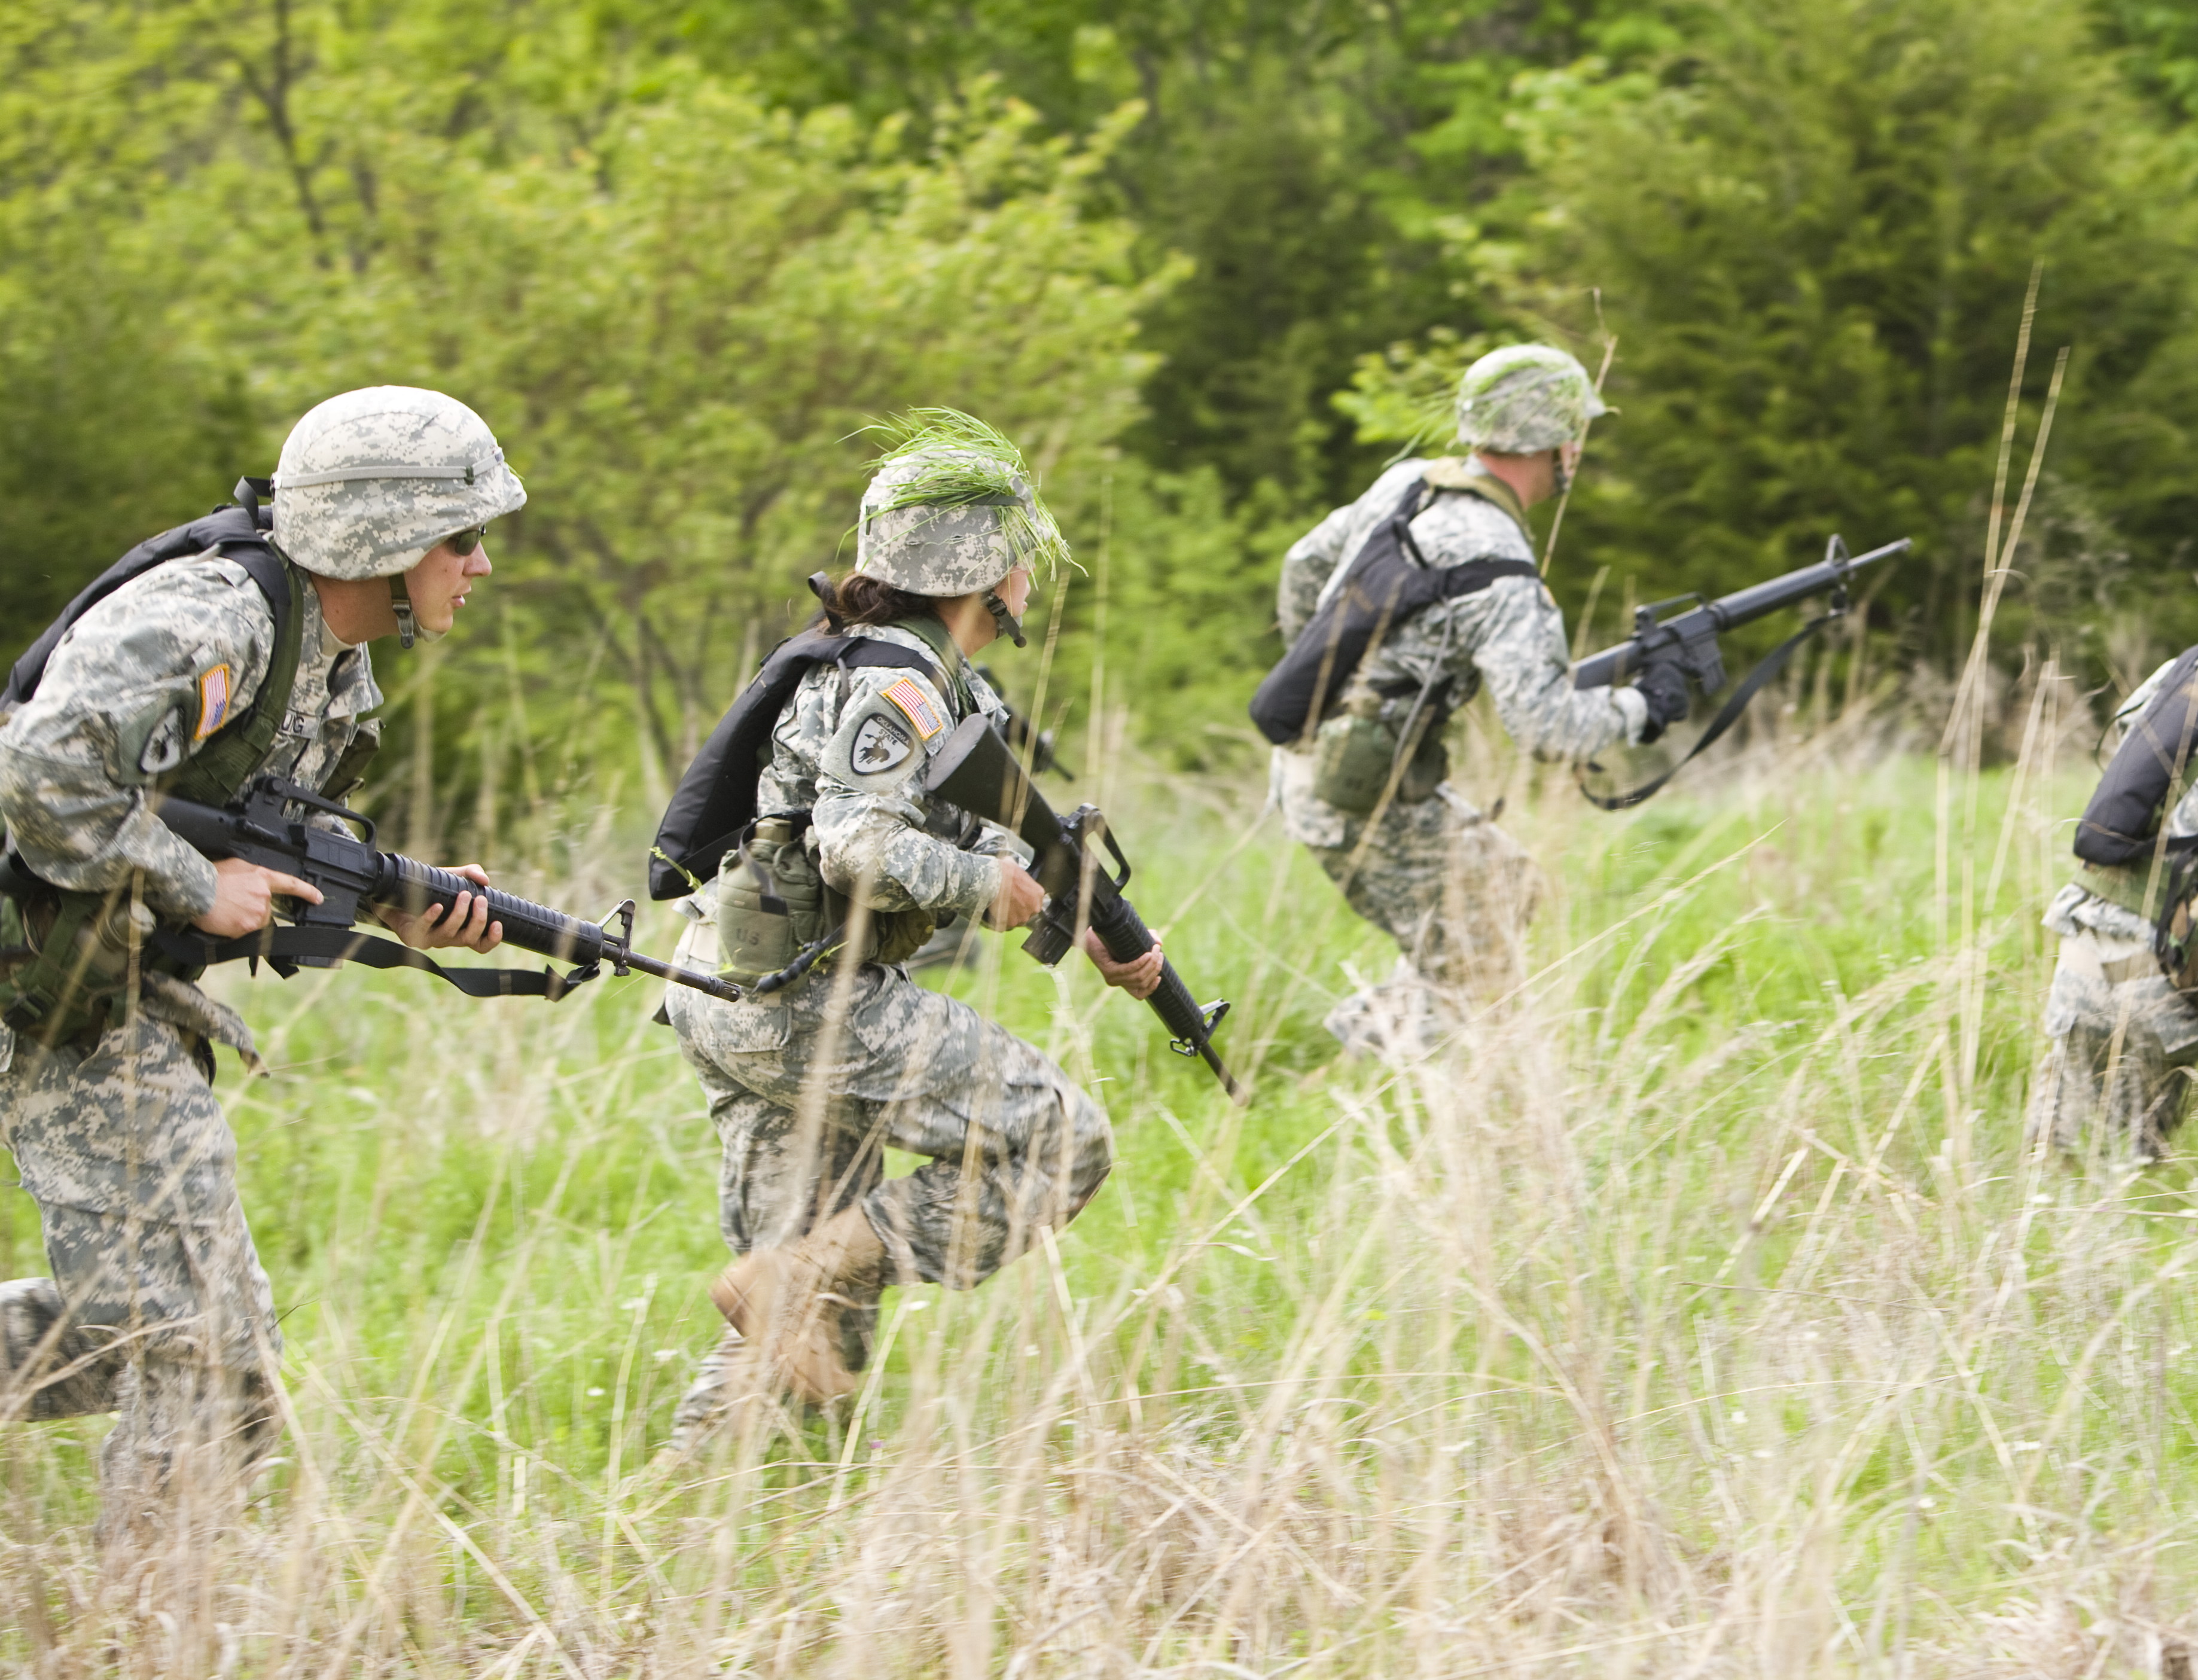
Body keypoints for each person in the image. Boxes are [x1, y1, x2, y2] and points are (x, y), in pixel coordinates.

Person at [0, 386, 522, 1548]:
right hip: (38, 986)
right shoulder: (213, 617)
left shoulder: (328, 659)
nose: (479, 567)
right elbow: (36, 774)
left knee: (161, 1332)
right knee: (199, 1355)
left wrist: (403, 900)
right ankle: (141, 1637)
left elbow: (255, 837)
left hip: (92, 981)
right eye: (463, 536)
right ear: (381, 540)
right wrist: (196, 891)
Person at [659, 411, 1157, 1447]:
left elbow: (955, 814)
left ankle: (698, 1506)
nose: (1030, 576)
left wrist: (1081, 912)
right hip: (801, 999)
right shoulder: (899, 683)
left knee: (813, 1332)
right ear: (985, 568)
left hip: (735, 985)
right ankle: (784, 1276)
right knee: (1064, 1139)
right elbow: (858, 849)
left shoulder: (892, 667)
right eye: (1020, 555)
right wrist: (989, 883)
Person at [1265, 343, 1694, 1051]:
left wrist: (1322, 679)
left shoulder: (1407, 484)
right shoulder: (1501, 568)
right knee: (1481, 971)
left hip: (1328, 767)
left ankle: (1373, 1032)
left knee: (1510, 888)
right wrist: (1643, 708)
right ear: (1553, 440)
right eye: (1574, 431)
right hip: (1355, 797)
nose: (1578, 447)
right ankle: (1393, 1070)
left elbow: (1303, 565)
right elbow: (1547, 728)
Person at [2030, 650, 2198, 1161]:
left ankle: (2048, 1155)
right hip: (2165, 990)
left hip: (2078, 958)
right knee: (2139, 1189)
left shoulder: (2179, 669)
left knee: (2045, 1189)